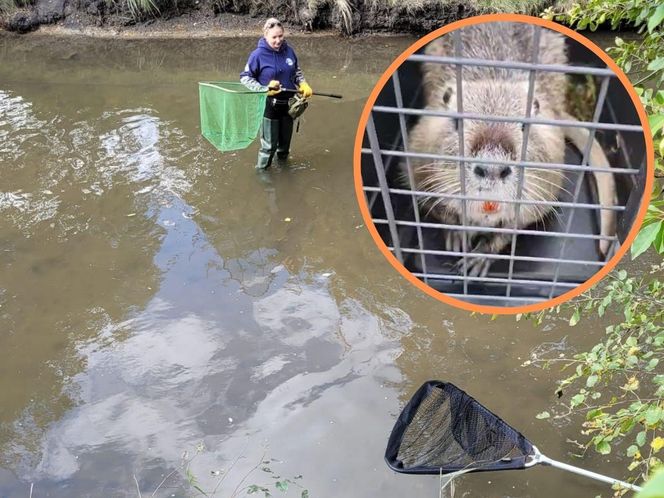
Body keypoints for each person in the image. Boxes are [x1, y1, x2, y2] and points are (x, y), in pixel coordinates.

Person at [240, 18, 313, 170]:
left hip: (289, 105)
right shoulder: (257, 55)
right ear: (266, 36)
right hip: (269, 106)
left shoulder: (289, 51)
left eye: (281, 36)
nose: (278, 40)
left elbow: (296, 71)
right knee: (269, 147)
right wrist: (265, 88)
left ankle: (283, 169)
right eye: (274, 37)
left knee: (285, 146)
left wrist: (303, 83)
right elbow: (245, 78)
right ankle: (262, 174)